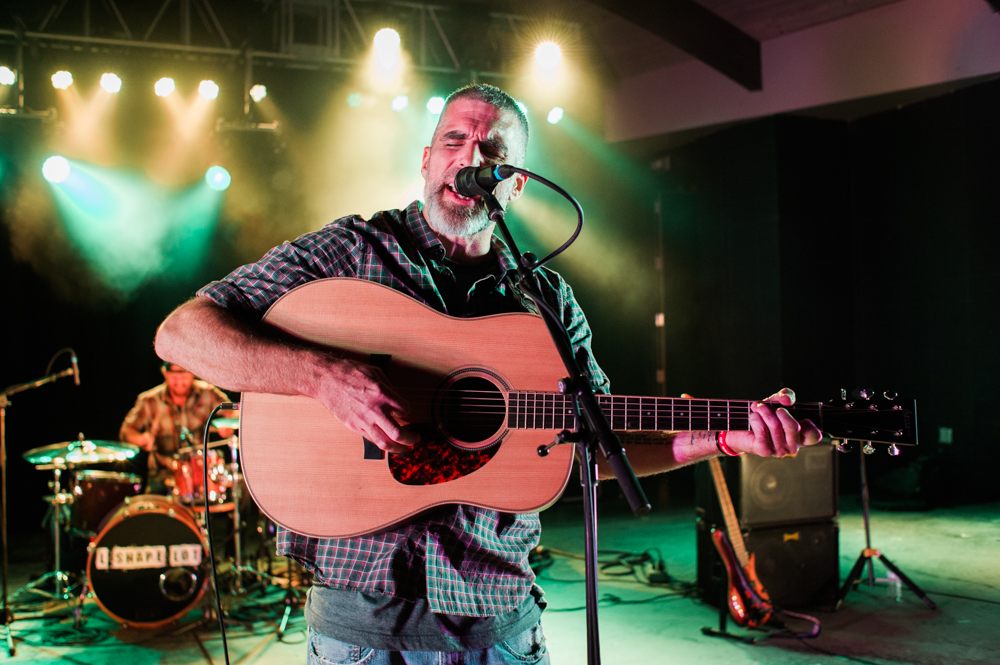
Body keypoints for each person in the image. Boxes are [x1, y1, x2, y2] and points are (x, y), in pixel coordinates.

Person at [154, 84, 821, 664]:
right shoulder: (349, 251)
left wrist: (727, 437)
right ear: (426, 160)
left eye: (493, 149)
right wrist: (319, 375)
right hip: (362, 627)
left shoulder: (544, 301)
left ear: (517, 181)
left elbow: (599, 444)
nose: (472, 158)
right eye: (454, 140)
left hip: (501, 625)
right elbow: (182, 330)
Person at [120, 361, 234, 494]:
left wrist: (228, 425)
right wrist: (141, 439)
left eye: (184, 377)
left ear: (193, 374)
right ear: (164, 373)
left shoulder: (208, 393)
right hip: (162, 476)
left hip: (200, 474)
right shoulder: (149, 400)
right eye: (174, 377)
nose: (179, 382)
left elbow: (234, 413)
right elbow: (126, 431)